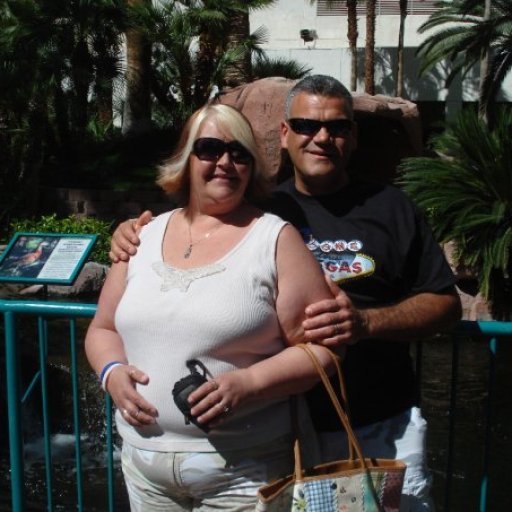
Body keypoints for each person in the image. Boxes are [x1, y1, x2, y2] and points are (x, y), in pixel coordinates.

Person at [109, 75, 462, 511]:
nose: (322, 138)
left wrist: (366, 322)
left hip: (376, 424)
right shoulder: (258, 211)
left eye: (337, 127)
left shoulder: (392, 208)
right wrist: (133, 233)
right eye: (306, 125)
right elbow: (195, 231)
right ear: (284, 134)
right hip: (283, 430)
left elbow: (445, 305)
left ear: (353, 137)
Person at [85, 103, 338, 511]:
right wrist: (111, 372)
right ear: (186, 158)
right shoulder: (141, 237)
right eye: (210, 149)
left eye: (239, 153)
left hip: (245, 472)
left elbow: (322, 351)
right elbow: (103, 328)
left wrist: (249, 383)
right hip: (144, 471)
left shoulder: (276, 240)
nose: (225, 162)